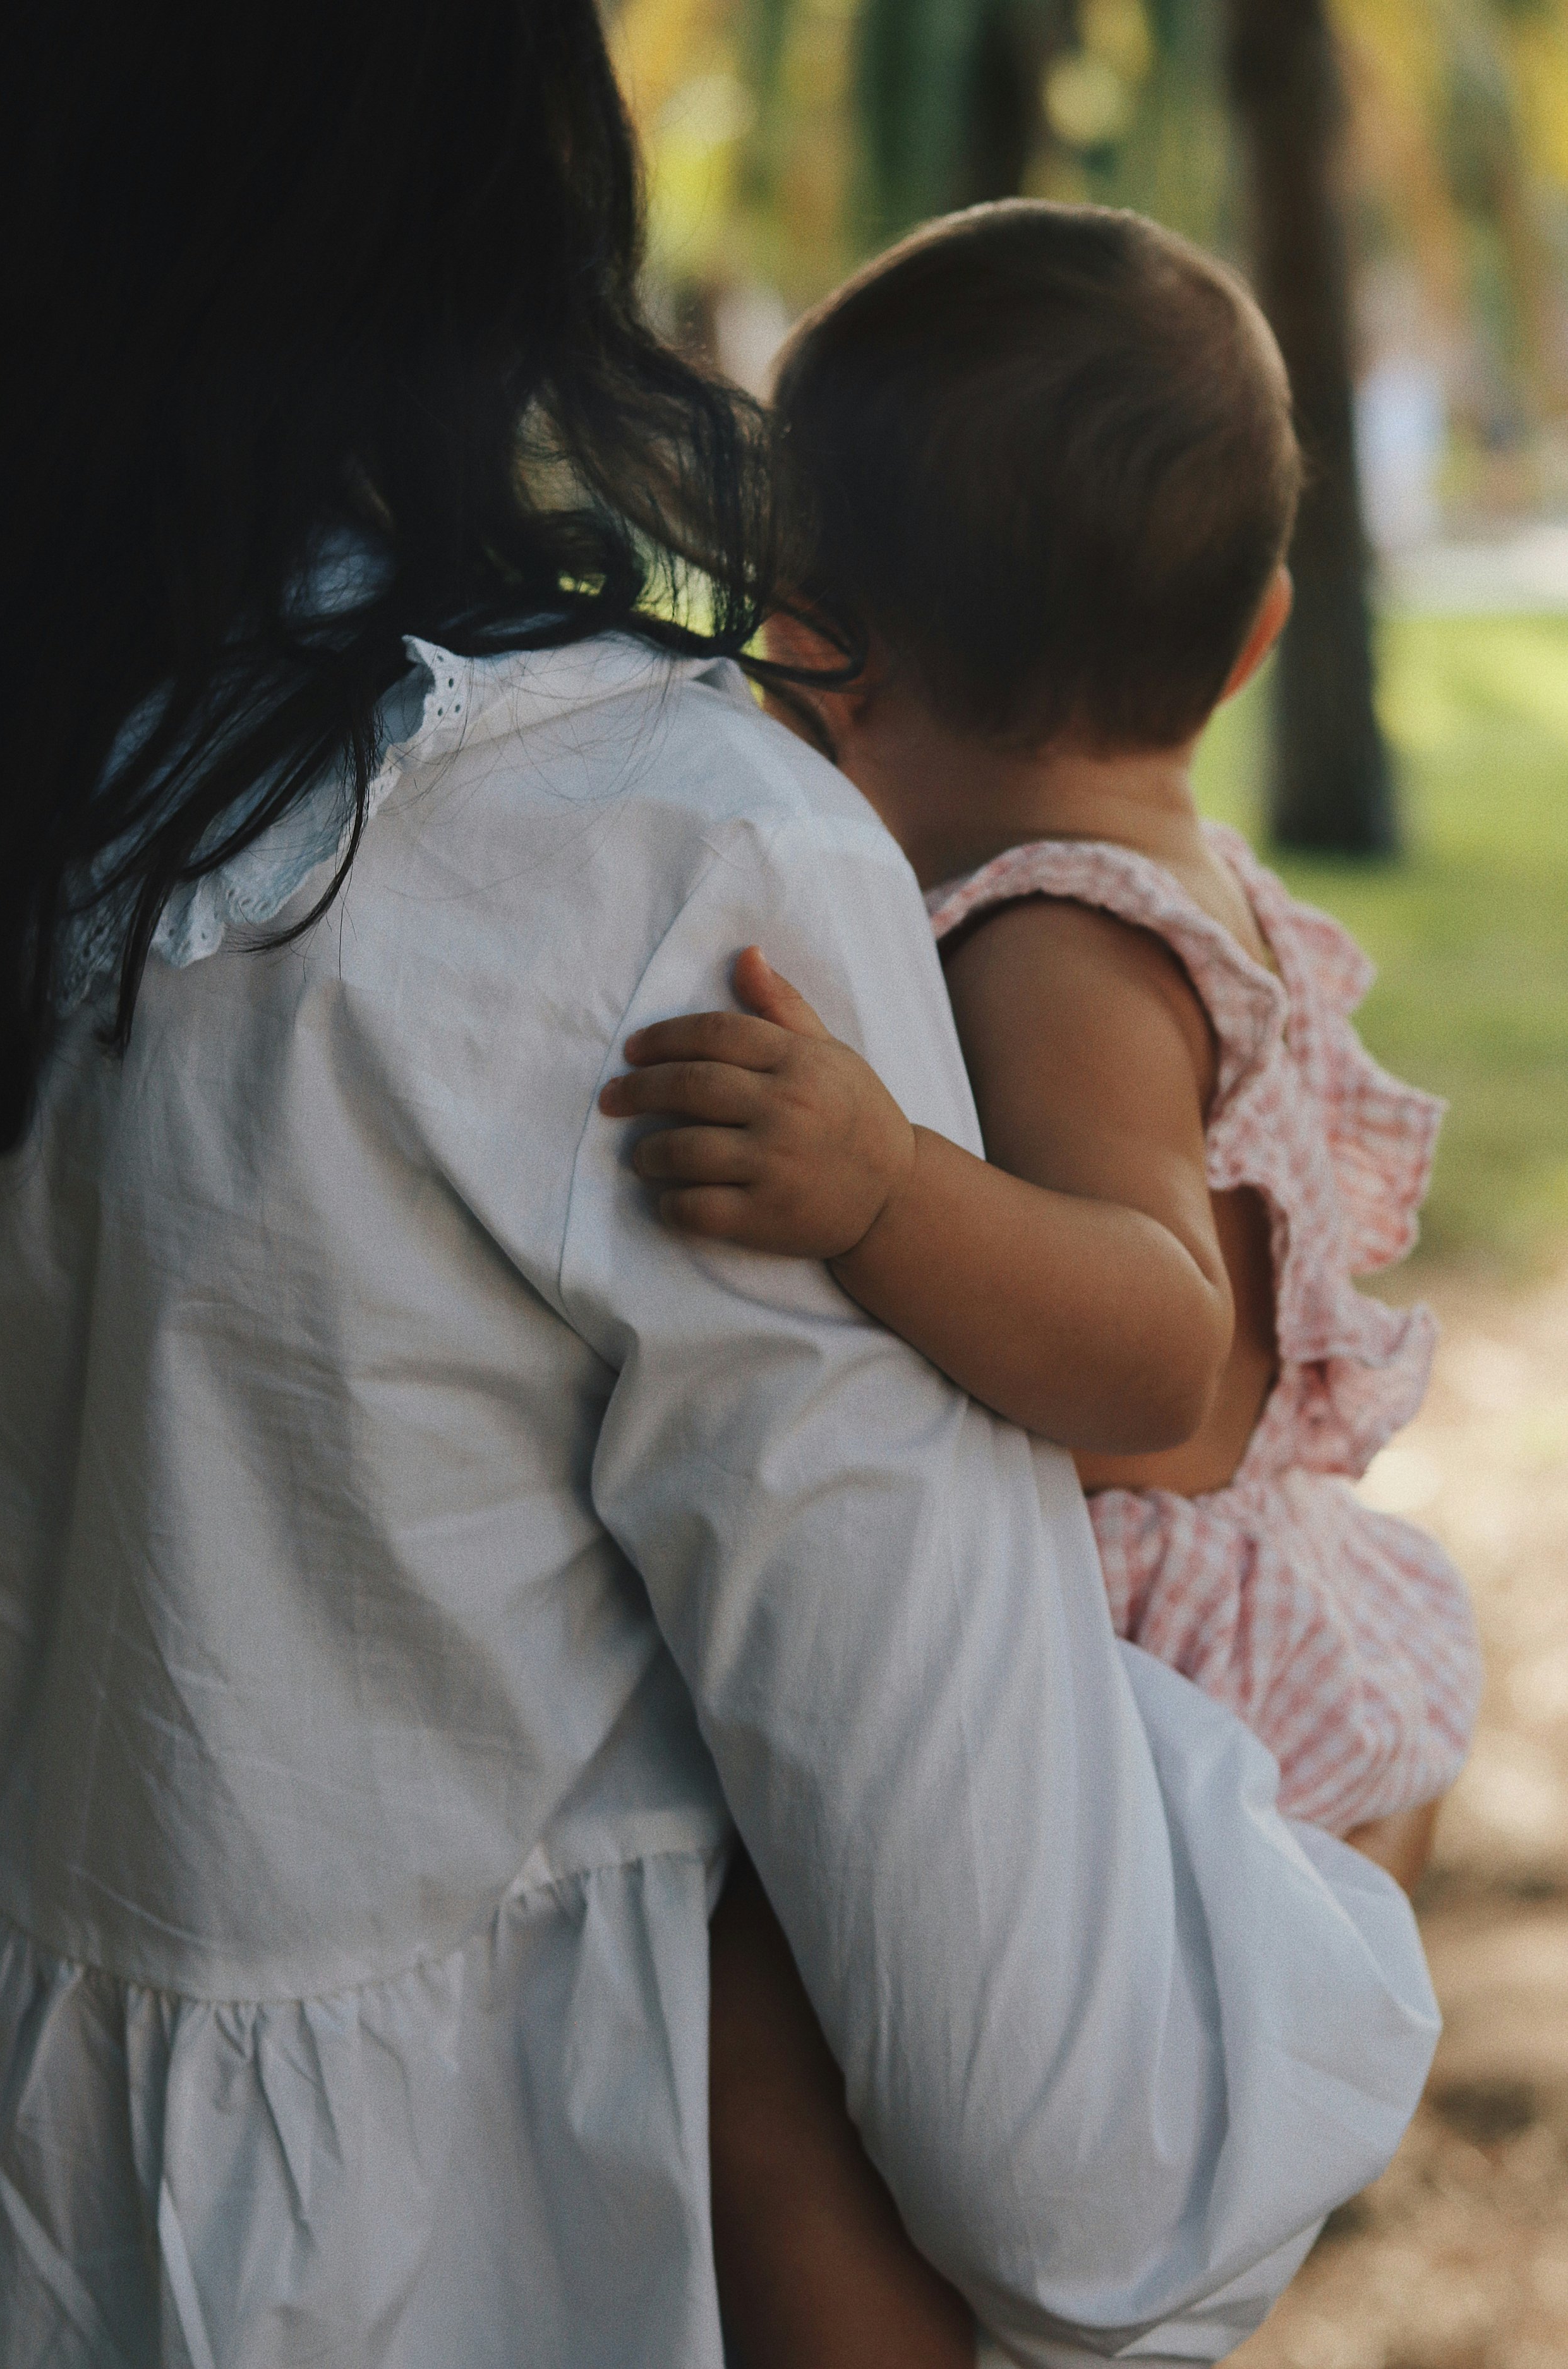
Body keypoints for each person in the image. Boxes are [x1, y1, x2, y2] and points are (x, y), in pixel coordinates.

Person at [0, 21, 1438, 2367]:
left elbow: (1172, 1357)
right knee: (795, 2060)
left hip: (86, 2222)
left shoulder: (107, 788)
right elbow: (1065, 2160)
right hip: (500, 2264)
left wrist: (881, 1188)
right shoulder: (652, 859)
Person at [600, 203, 1481, 2363]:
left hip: (1152, 1679)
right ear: (1261, 635)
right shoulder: (1170, 883)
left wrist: (882, 1185)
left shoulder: (1053, 939)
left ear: (815, 646)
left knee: (755, 2047)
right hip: (1227, 1643)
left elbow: (1158, 1344)